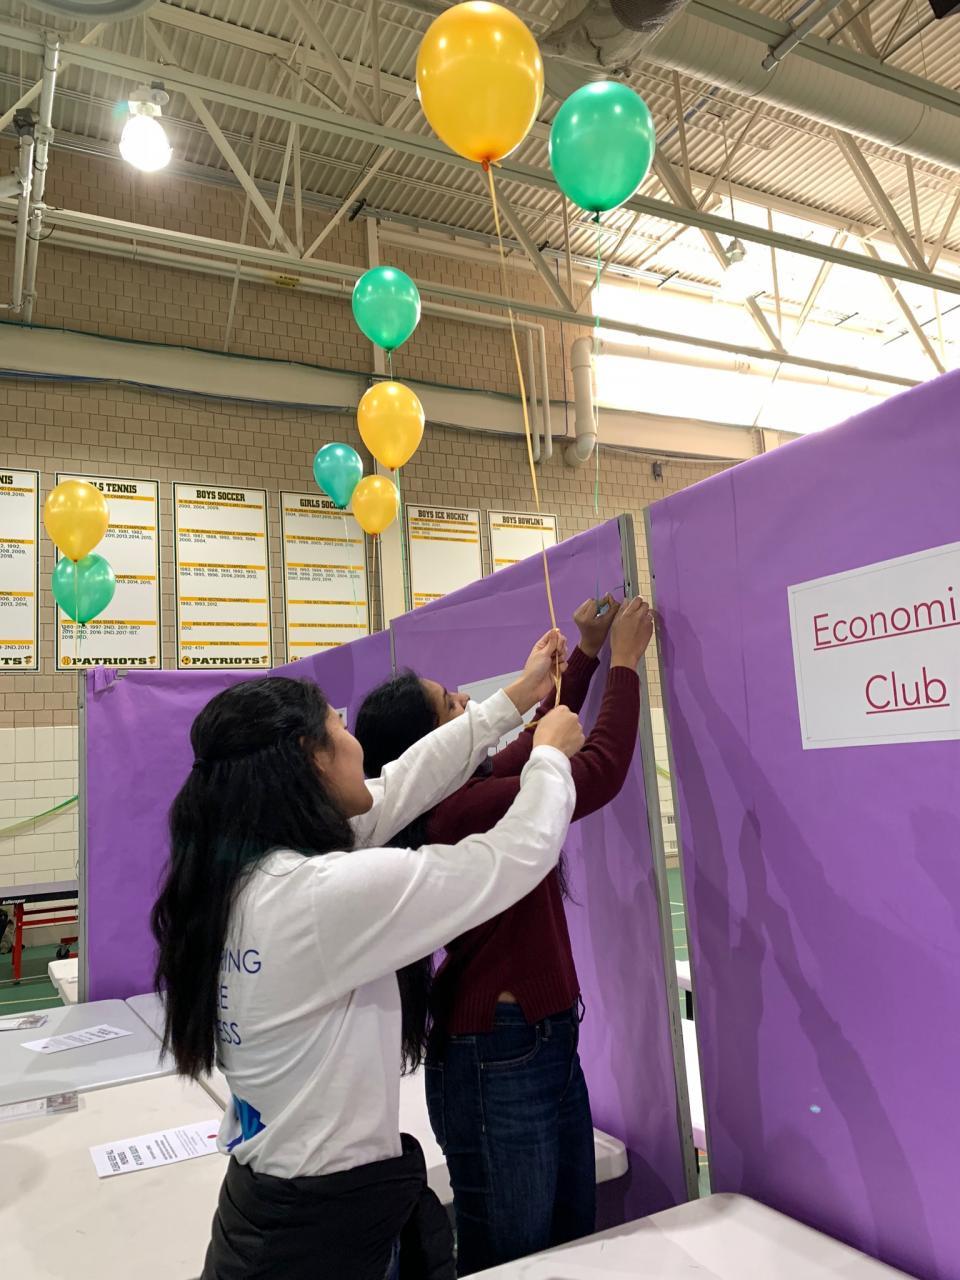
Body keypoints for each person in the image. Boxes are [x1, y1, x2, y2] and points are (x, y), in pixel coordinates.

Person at [150, 629, 586, 1280]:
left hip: (272, 1210)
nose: (358, 744)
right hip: (323, 1242)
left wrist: (519, 696)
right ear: (312, 757)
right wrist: (549, 758)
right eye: (340, 727)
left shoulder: (246, 877)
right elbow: (515, 856)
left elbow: (403, 782)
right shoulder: (318, 898)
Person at [355, 595, 654, 1276]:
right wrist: (627, 662)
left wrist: (586, 654)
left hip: (530, 1043)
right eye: (449, 706)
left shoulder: (470, 790)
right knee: (513, 1258)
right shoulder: (460, 808)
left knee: (565, 1243)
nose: (468, 703)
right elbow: (595, 772)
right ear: (424, 750)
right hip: (500, 1053)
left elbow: (534, 746)